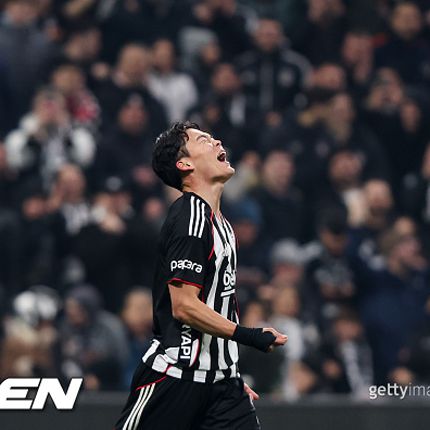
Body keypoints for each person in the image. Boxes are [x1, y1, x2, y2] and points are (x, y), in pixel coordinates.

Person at [114, 121, 287, 430]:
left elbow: (219, 300)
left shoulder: (222, 223)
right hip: (175, 378)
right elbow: (184, 306)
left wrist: (224, 369)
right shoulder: (190, 217)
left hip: (222, 386)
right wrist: (248, 335)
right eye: (204, 140)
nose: (217, 141)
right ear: (185, 164)